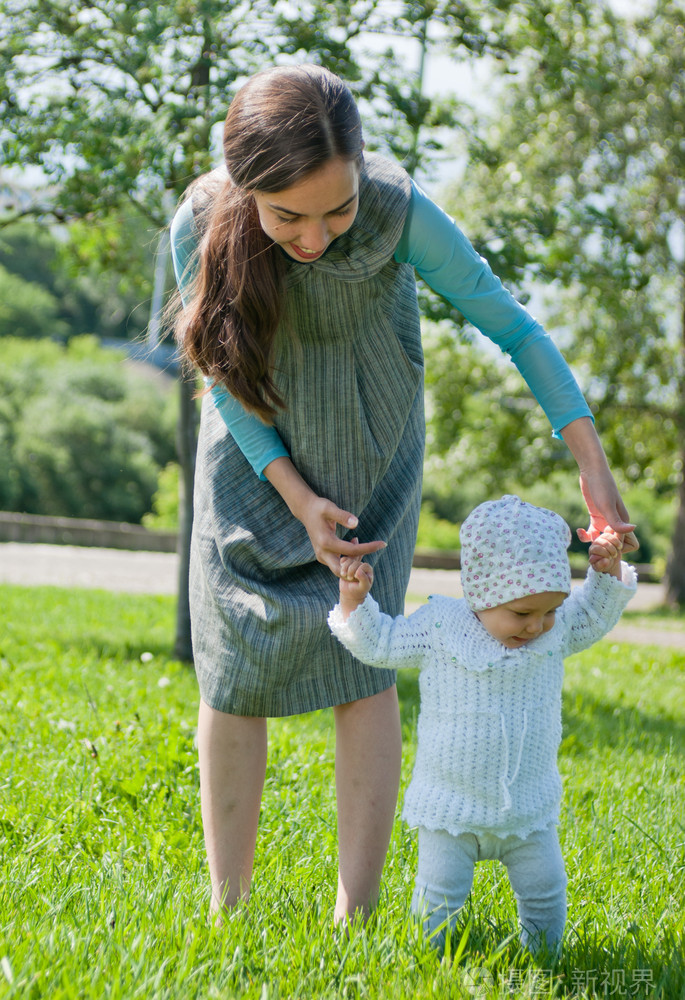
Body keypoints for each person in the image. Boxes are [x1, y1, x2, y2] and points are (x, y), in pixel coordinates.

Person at [169, 63, 636, 923]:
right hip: (252, 447)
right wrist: (291, 493)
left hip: (368, 447)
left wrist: (592, 465)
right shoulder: (199, 222)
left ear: (361, 173)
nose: (314, 237)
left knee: (364, 662)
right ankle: (224, 909)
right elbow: (222, 378)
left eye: (334, 210)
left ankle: (359, 908)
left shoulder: (400, 210)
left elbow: (513, 327)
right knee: (231, 668)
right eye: (286, 217)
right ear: (244, 189)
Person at [328, 495, 637, 952]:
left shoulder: (556, 632)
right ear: (482, 595)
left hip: (528, 812)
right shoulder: (441, 627)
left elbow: (593, 612)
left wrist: (606, 572)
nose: (537, 627)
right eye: (522, 613)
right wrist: (356, 601)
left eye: (549, 610)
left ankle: (545, 959)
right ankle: (429, 964)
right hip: (450, 810)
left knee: (545, 890)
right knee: (438, 898)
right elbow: (382, 644)